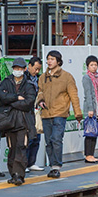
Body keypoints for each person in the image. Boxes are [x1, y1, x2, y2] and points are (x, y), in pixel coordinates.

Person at [37, 50, 83, 179]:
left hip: (60, 113)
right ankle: (52, 166)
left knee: (56, 139)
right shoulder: (42, 77)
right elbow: (39, 91)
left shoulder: (67, 77)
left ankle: (56, 167)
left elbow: (74, 95)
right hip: (46, 113)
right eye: (48, 59)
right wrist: (40, 100)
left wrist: (78, 113)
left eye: (52, 59)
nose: (49, 61)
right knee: (48, 142)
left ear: (58, 61)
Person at [0, 57, 38, 185]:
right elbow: (1, 96)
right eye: (15, 68)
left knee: (21, 147)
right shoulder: (6, 81)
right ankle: (12, 174)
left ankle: (19, 175)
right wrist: (16, 98)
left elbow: (28, 102)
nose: (17, 71)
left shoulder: (29, 84)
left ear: (24, 69)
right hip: (9, 122)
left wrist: (11, 103)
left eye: (20, 68)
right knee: (12, 148)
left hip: (23, 121)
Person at [81, 55, 98, 163]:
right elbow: (88, 94)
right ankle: (88, 155)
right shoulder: (87, 78)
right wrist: (90, 109)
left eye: (95, 65)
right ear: (87, 66)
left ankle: (92, 154)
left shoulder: (96, 77)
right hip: (91, 109)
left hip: (97, 109)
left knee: (94, 132)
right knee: (90, 133)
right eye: (92, 65)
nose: (94, 67)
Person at [25, 56, 44, 172]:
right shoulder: (24, 78)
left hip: (38, 110)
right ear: (29, 66)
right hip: (28, 111)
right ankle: (25, 163)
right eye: (35, 69)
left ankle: (32, 162)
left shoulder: (39, 79)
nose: (36, 71)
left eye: (38, 69)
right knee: (29, 139)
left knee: (37, 137)